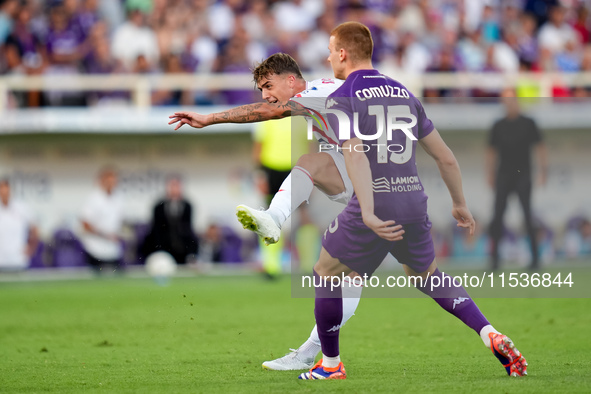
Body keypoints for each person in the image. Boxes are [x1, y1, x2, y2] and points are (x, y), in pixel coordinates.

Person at [299, 21, 527, 380]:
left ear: (343, 53)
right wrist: (459, 203)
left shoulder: (341, 97)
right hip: (413, 201)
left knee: (326, 272)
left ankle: (330, 365)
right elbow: (445, 157)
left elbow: (355, 153)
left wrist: (370, 212)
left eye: (330, 51)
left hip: (376, 204)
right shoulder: (404, 93)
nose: (328, 57)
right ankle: (489, 332)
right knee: (427, 276)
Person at [168, 53, 365, 371]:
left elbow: (267, 111)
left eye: (268, 85)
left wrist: (210, 118)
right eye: (261, 88)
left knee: (309, 166)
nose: (265, 95)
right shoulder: (327, 91)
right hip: (365, 188)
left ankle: (274, 218)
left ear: (291, 80)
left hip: (379, 190)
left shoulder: (313, 93)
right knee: (344, 278)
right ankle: (315, 357)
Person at [486, 89, 548, 270]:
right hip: (503, 175)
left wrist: (543, 171)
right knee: (497, 217)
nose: (509, 103)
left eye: (511, 100)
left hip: (524, 175)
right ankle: (494, 261)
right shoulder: (498, 125)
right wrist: (489, 174)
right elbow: (491, 151)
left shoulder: (529, 123)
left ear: (517, 101)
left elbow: (540, 147)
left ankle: (536, 259)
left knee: (528, 217)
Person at [142, 174, 198, 265]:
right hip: (164, 249)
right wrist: (159, 251)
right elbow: (156, 230)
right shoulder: (158, 206)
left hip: (182, 249)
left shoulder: (187, 206)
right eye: (172, 186)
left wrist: (190, 252)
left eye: (177, 186)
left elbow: (188, 230)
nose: (174, 189)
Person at [79, 166, 124, 273]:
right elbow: (85, 224)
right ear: (102, 181)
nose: (112, 183)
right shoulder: (94, 198)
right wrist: (104, 235)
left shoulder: (119, 198)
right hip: (95, 249)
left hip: (113, 249)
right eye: (109, 180)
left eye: (114, 180)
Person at [0, 177, 38, 271]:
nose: (4, 193)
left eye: (6, 190)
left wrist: (31, 248)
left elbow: (35, 229)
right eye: (2, 191)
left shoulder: (22, 208)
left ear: (10, 191)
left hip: (18, 259)